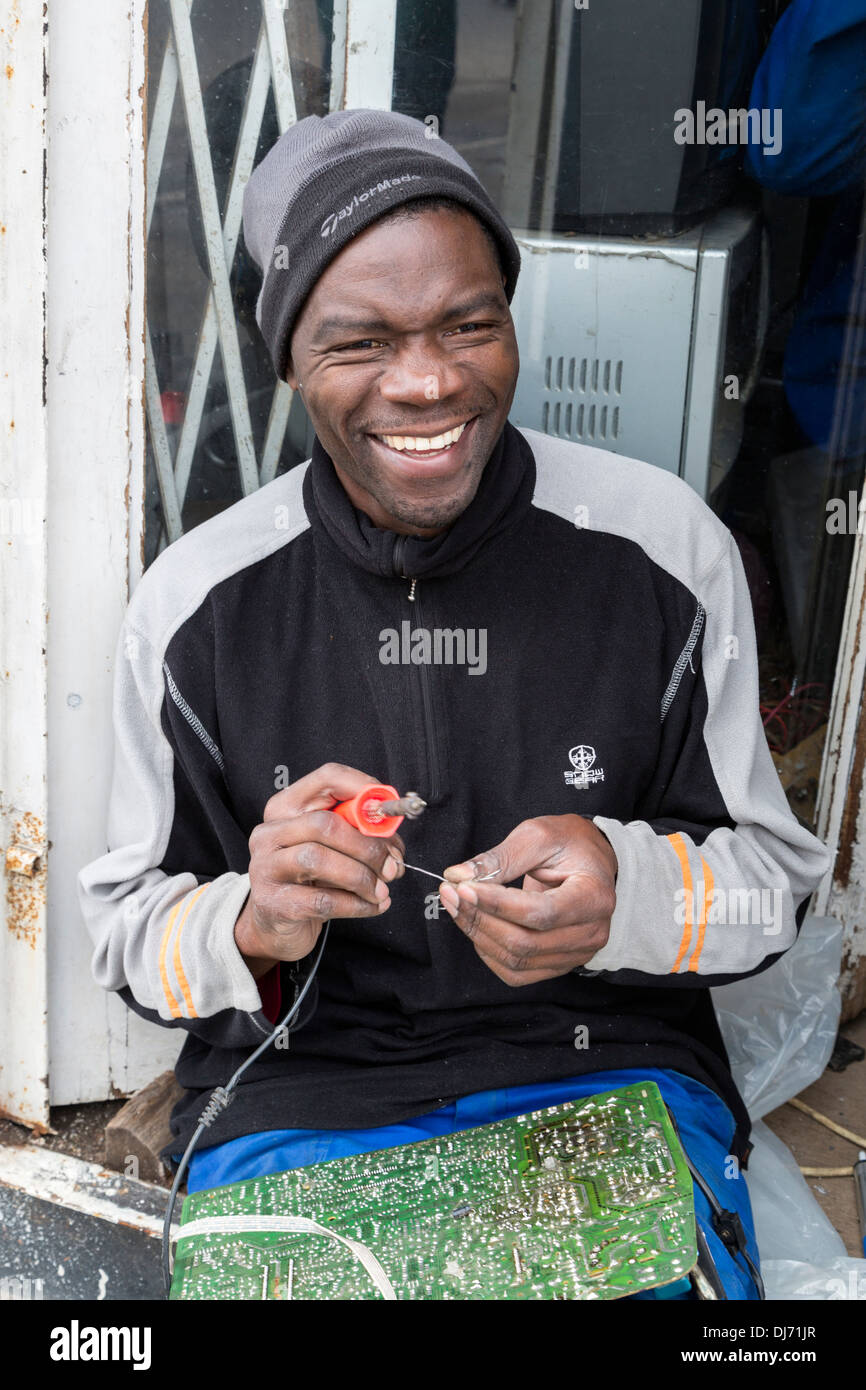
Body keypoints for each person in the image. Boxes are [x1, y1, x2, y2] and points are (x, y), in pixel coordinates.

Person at [78, 109, 830, 1300]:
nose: (426, 382)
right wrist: (251, 924)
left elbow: (773, 886)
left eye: (468, 325)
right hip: (301, 1105)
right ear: (285, 360)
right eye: (358, 342)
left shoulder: (660, 549)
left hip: (606, 1082)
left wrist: (626, 895)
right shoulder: (197, 608)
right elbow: (126, 931)